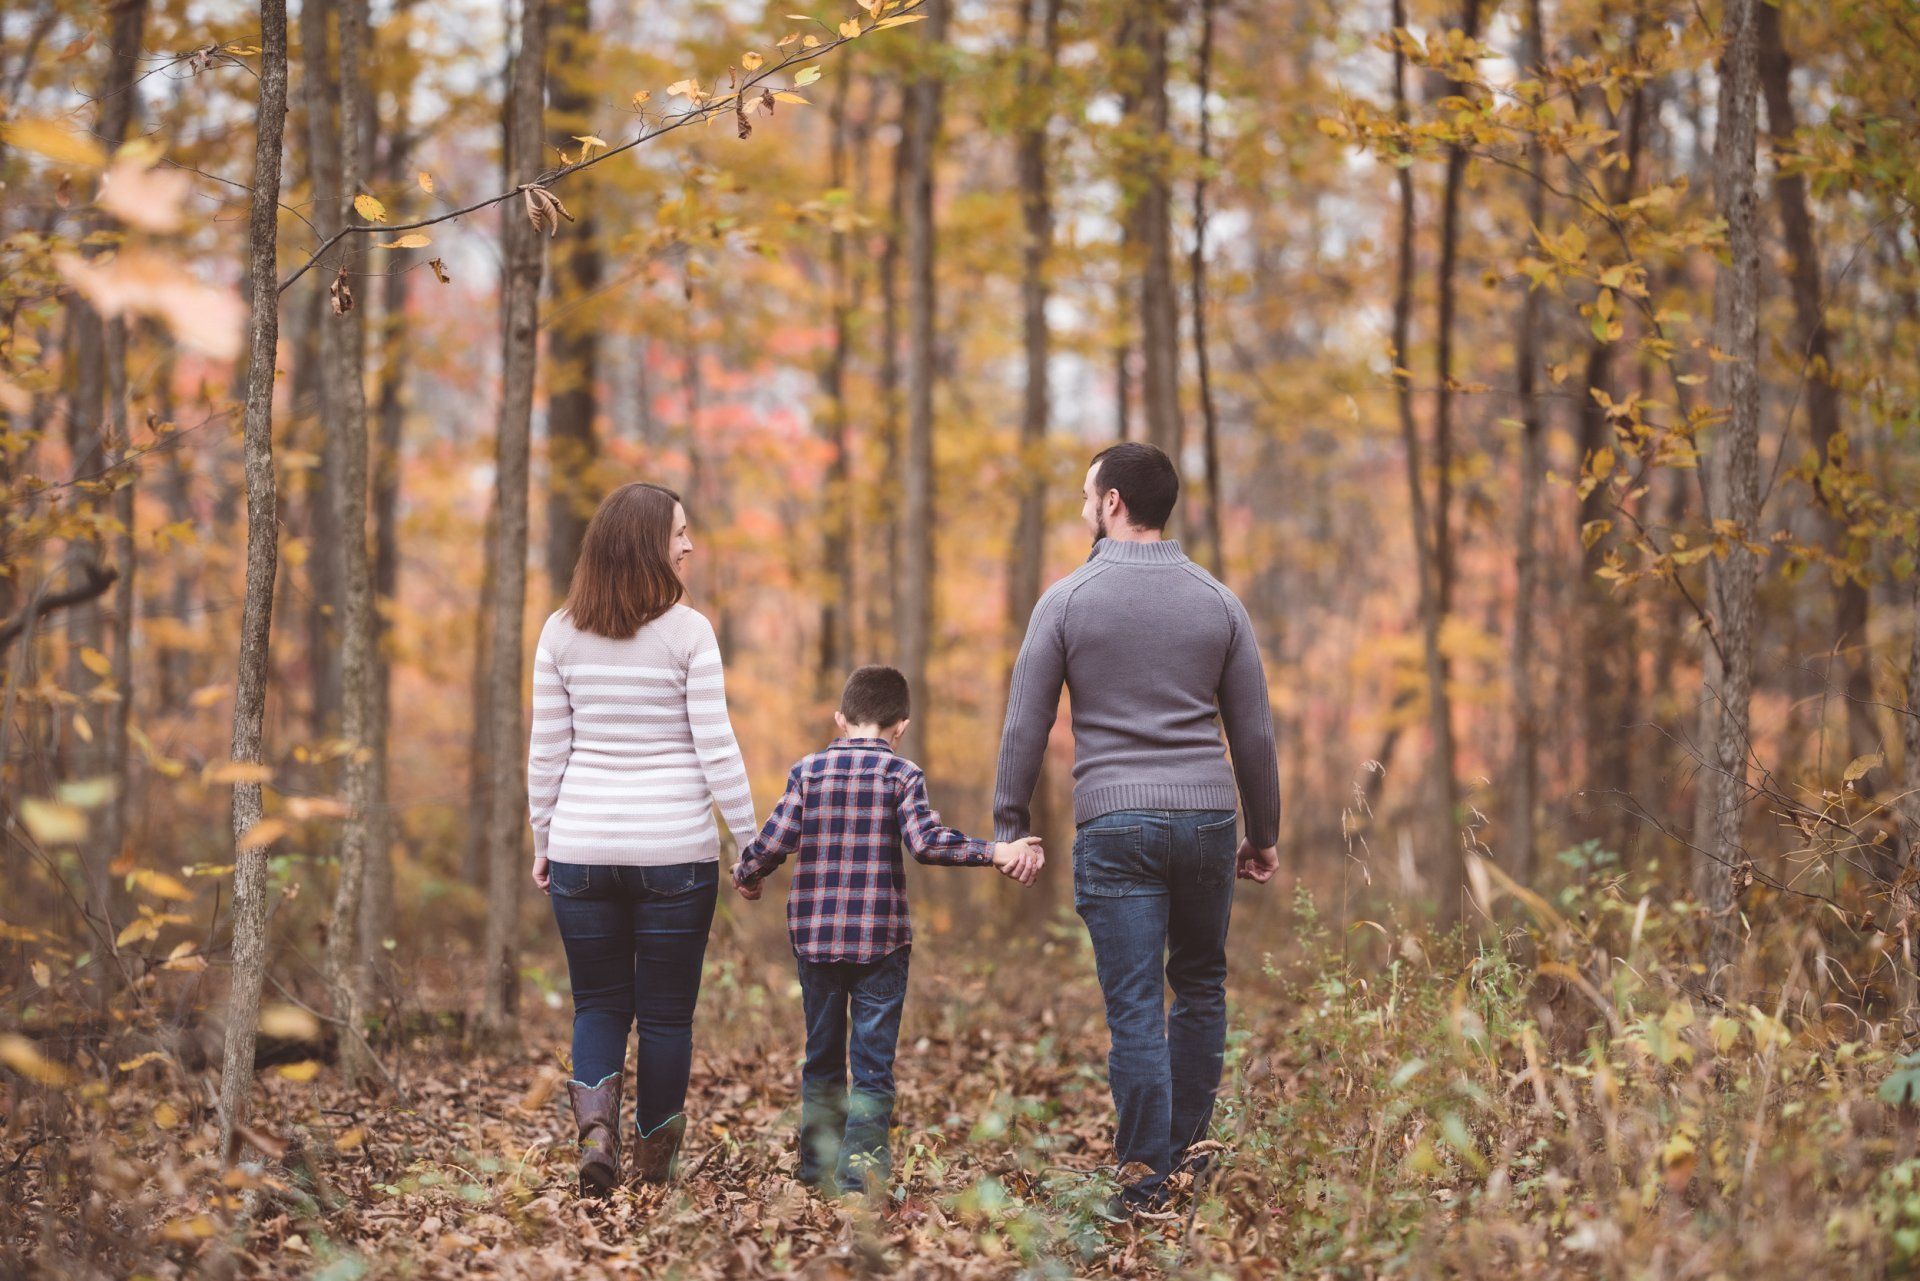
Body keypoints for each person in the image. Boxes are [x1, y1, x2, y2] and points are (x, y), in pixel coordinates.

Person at [992, 442, 1282, 1215]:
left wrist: (1008, 820)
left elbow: (1026, 721)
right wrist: (1266, 831)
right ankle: (1188, 1158)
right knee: (1200, 984)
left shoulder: (1067, 599)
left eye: (1089, 495)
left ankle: (1148, 1178)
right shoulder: (1219, 601)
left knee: (1133, 1006)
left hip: (1115, 819)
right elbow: (1252, 733)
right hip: (1208, 818)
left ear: (1113, 501)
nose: (1085, 508)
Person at [732, 665, 1044, 1196]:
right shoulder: (903, 775)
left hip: (815, 938)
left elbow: (775, 838)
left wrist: (747, 875)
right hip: (882, 939)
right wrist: (996, 850)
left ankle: (814, 1174)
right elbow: (925, 843)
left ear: (839, 718)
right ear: (901, 725)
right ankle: (859, 1181)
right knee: (873, 1066)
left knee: (821, 1058)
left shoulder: (807, 771)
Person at [527, 482, 758, 1196]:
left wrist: (543, 837)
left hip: (581, 850)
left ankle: (596, 1136)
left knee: (598, 1005)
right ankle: (655, 1163)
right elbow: (717, 749)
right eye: (678, 533)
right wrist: (750, 842)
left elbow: (547, 753)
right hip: (676, 854)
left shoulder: (560, 631)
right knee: (664, 1016)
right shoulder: (689, 632)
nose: (689, 545)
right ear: (644, 541)